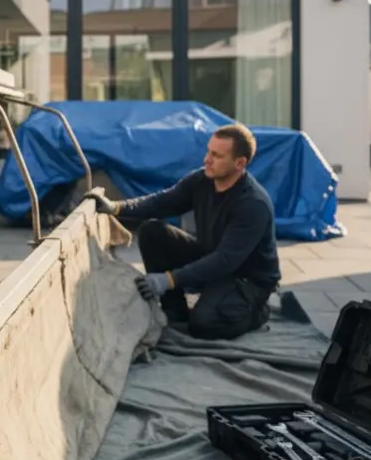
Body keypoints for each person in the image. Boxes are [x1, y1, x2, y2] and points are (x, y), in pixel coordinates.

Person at [84, 123, 282, 340]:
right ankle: (175, 309)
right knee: (152, 232)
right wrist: (117, 207)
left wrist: (168, 280)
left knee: (203, 325)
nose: (207, 159)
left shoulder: (252, 205)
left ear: (239, 163)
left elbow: (225, 260)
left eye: (216, 155)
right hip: (213, 257)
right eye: (208, 151)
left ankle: (256, 313)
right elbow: (163, 202)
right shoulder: (202, 180)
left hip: (246, 279)